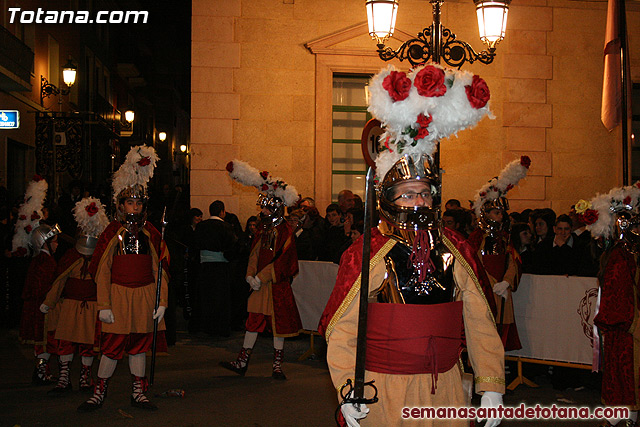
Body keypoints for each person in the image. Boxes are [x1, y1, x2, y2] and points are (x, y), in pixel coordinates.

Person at [319, 64, 504, 427]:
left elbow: (480, 320)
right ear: (387, 198)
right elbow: (342, 329)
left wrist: (491, 384)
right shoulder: (367, 253)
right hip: (383, 389)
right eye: (406, 194)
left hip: (445, 389)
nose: (417, 202)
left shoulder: (456, 248)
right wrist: (346, 389)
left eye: (423, 193)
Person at [78, 145, 168, 412]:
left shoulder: (151, 232)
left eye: (139, 203)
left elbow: (160, 269)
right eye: (130, 202)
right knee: (111, 347)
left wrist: (161, 301)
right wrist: (103, 304)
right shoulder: (111, 232)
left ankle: (138, 392)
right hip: (117, 296)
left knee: (139, 346)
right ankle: (99, 391)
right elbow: (101, 270)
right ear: (120, 204)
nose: (135, 207)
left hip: (144, 296)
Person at [222, 159, 301, 380]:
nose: (263, 210)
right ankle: (242, 361)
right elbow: (255, 253)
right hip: (259, 284)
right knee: (253, 321)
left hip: (275, 284)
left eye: (266, 206)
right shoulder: (263, 229)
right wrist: (250, 274)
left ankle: (277, 365)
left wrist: (262, 276)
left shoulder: (284, 230)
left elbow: (284, 260)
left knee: (279, 326)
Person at [40, 197, 109, 394]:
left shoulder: (100, 259)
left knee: (88, 344)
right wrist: (49, 302)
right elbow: (60, 281)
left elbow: (105, 283)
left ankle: (85, 376)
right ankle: (64, 377)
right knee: (65, 343)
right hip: (70, 306)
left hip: (91, 306)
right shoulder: (71, 257)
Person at [590, 184, 640, 426]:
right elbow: (617, 300)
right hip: (626, 329)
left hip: (627, 327)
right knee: (624, 377)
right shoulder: (620, 256)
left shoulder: (624, 255)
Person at [470, 156, 530, 351]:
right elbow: (473, 262)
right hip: (484, 290)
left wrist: (506, 282)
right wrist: (490, 283)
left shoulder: (505, 238)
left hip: (502, 291)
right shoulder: (477, 238)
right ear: (485, 214)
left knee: (501, 332)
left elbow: (512, 261)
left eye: (501, 213)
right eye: (496, 213)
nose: (501, 216)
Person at [20, 223, 62, 385]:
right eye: (54, 241)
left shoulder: (41, 260)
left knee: (43, 341)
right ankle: (41, 372)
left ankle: (43, 372)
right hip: (41, 307)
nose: (57, 244)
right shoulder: (46, 261)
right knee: (44, 340)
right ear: (45, 243)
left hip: (37, 306)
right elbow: (44, 287)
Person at [193, 200, 238, 337]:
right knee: (220, 299)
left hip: (204, 266)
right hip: (220, 266)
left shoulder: (201, 226)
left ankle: (205, 326)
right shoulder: (226, 227)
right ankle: (220, 328)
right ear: (222, 212)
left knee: (205, 297)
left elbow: (195, 244)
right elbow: (233, 246)